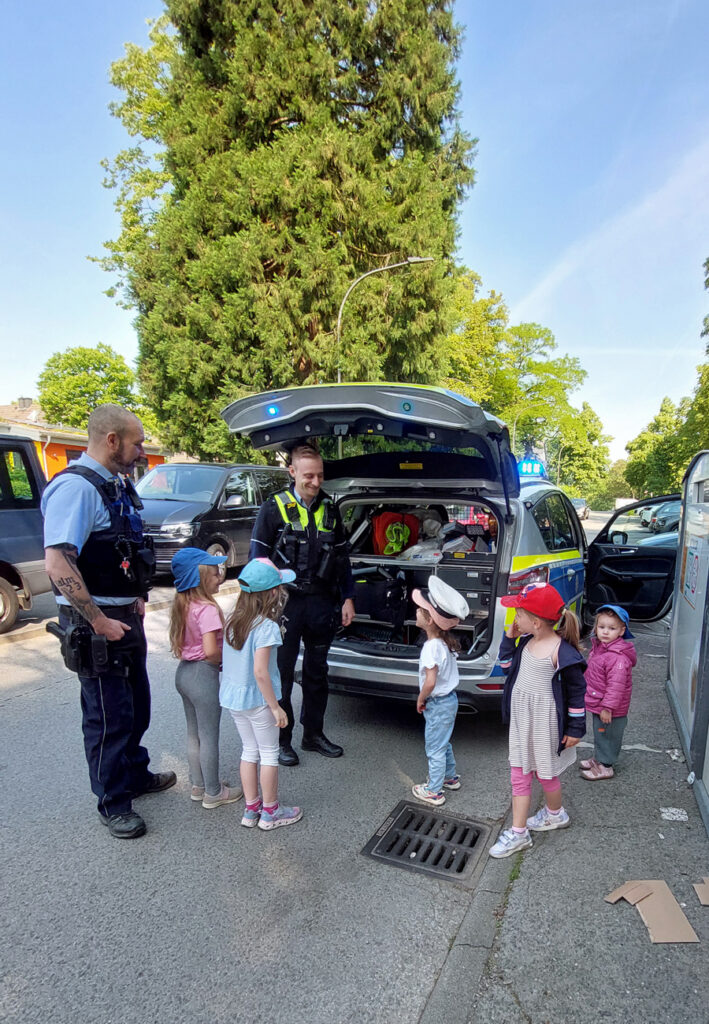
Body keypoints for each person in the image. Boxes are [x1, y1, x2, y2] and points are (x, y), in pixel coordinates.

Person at [41, 404, 175, 840]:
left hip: (124, 614)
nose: (141, 450)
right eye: (137, 442)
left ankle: (135, 775)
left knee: (137, 708)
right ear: (111, 440)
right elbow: (58, 561)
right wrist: (98, 620)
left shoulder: (113, 484)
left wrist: (135, 598)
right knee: (108, 717)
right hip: (97, 623)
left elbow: (121, 550)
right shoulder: (77, 489)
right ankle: (113, 802)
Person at [248, 442, 355, 766]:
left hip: (321, 602)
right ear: (292, 472)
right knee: (281, 672)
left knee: (317, 672)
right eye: (309, 475)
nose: (316, 482)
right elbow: (257, 560)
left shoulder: (330, 508)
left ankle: (313, 735)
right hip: (286, 603)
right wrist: (258, 606)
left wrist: (348, 597)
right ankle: (283, 739)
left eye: (320, 475)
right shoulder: (273, 508)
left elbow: (342, 558)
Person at [489, 582, 586, 859]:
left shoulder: (562, 652)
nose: (514, 619)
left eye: (518, 614)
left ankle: (555, 814)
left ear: (535, 621)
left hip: (545, 725)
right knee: (519, 774)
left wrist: (576, 728)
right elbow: (507, 667)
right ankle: (520, 832)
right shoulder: (526, 643)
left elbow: (577, 692)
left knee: (547, 774)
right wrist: (509, 638)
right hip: (523, 721)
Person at [220, 558, 303, 831]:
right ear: (271, 593)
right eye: (278, 586)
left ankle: (251, 808)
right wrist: (276, 707)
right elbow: (260, 671)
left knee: (249, 751)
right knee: (268, 753)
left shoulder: (234, 620)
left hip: (234, 698)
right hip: (258, 700)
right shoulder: (265, 627)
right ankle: (271, 812)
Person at [169, 547, 243, 809]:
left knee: (194, 735)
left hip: (184, 673)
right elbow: (211, 650)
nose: (219, 577)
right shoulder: (208, 609)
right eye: (214, 574)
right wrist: (225, 661)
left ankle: (199, 785)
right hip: (203, 676)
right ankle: (214, 792)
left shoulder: (183, 604)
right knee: (209, 735)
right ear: (199, 578)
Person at [410, 577, 471, 806]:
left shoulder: (430, 647)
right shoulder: (444, 643)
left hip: (437, 703)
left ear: (428, 619)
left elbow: (430, 681)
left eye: (420, 610)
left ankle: (434, 790)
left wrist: (420, 698)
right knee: (443, 742)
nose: (416, 611)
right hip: (450, 701)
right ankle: (449, 777)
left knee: (434, 746)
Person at [580, 604, 636, 781]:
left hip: (610, 708)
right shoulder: (601, 648)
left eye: (611, 628)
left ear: (621, 631)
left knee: (608, 734)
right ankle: (599, 757)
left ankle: (606, 765)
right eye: (601, 627)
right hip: (600, 703)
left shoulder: (617, 657)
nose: (605, 632)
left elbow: (616, 687)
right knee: (600, 732)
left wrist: (608, 707)